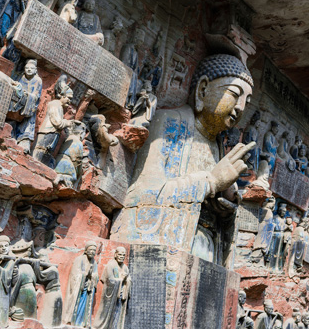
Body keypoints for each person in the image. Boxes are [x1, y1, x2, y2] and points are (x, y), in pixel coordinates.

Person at [110, 54, 254, 253]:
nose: (240, 107)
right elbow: (142, 197)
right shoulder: (169, 123)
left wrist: (226, 204)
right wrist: (211, 182)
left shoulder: (220, 148)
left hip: (206, 247)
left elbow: (221, 223)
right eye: (234, 94)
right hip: (173, 245)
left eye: (247, 101)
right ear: (202, 90)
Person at [32, 75, 74, 168]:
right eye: (68, 97)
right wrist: (67, 123)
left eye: (71, 99)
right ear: (62, 95)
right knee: (40, 152)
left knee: (46, 155)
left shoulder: (60, 107)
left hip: (53, 134)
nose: (70, 101)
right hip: (47, 133)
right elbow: (57, 123)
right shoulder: (55, 104)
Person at [9, 58, 43, 153]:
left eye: (31, 68)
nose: (28, 70)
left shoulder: (37, 80)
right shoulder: (21, 77)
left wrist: (27, 96)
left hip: (29, 104)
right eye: (27, 68)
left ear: (35, 70)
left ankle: (24, 141)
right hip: (19, 101)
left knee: (28, 121)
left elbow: (36, 96)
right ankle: (11, 134)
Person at [63, 241, 99, 327]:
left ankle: (82, 322)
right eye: (90, 250)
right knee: (76, 304)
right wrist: (85, 273)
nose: (92, 252)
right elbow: (75, 274)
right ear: (86, 250)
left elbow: (96, 275)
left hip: (88, 289)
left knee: (85, 307)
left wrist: (93, 276)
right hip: (79, 288)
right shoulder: (79, 259)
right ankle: (72, 320)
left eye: (94, 250)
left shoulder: (94, 263)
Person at [93, 247, 131, 329]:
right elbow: (110, 280)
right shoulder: (111, 265)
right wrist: (121, 280)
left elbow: (129, 279)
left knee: (117, 314)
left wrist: (127, 281)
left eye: (123, 255)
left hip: (120, 295)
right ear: (116, 255)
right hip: (110, 295)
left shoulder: (125, 267)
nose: (121, 257)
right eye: (120, 254)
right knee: (106, 313)